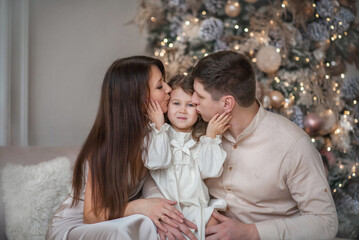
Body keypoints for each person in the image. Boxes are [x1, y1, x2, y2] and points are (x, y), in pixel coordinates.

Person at [190, 50, 339, 239]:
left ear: (227, 104)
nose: (192, 101)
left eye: (199, 96)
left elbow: (325, 222)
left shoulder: (292, 145)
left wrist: (251, 232)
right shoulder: (196, 129)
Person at [46, 56, 196, 240]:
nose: (168, 89)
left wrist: (165, 216)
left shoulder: (157, 133)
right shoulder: (106, 146)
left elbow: (155, 183)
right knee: (121, 231)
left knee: (148, 225)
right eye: (159, 86)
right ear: (138, 98)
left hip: (117, 220)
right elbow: (91, 215)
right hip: (79, 226)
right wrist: (137, 206)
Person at [145, 74, 231, 240]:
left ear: (198, 110)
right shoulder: (157, 134)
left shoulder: (201, 140)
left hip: (195, 207)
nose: (182, 110)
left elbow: (210, 171)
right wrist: (158, 126)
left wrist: (211, 136)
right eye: (176, 103)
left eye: (190, 105)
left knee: (216, 225)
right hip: (166, 208)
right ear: (167, 106)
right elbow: (156, 162)